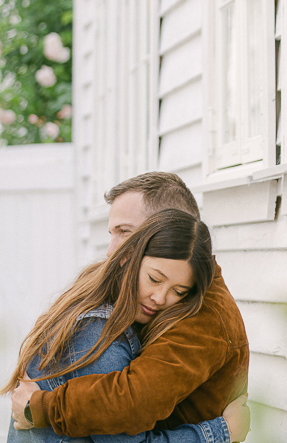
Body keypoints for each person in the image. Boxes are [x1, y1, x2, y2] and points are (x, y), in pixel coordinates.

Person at [10, 173, 249, 438]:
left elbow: (133, 400)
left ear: (168, 231)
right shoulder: (104, 321)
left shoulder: (204, 315)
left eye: (125, 232)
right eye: (112, 233)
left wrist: (41, 407)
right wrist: (221, 433)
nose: (112, 250)